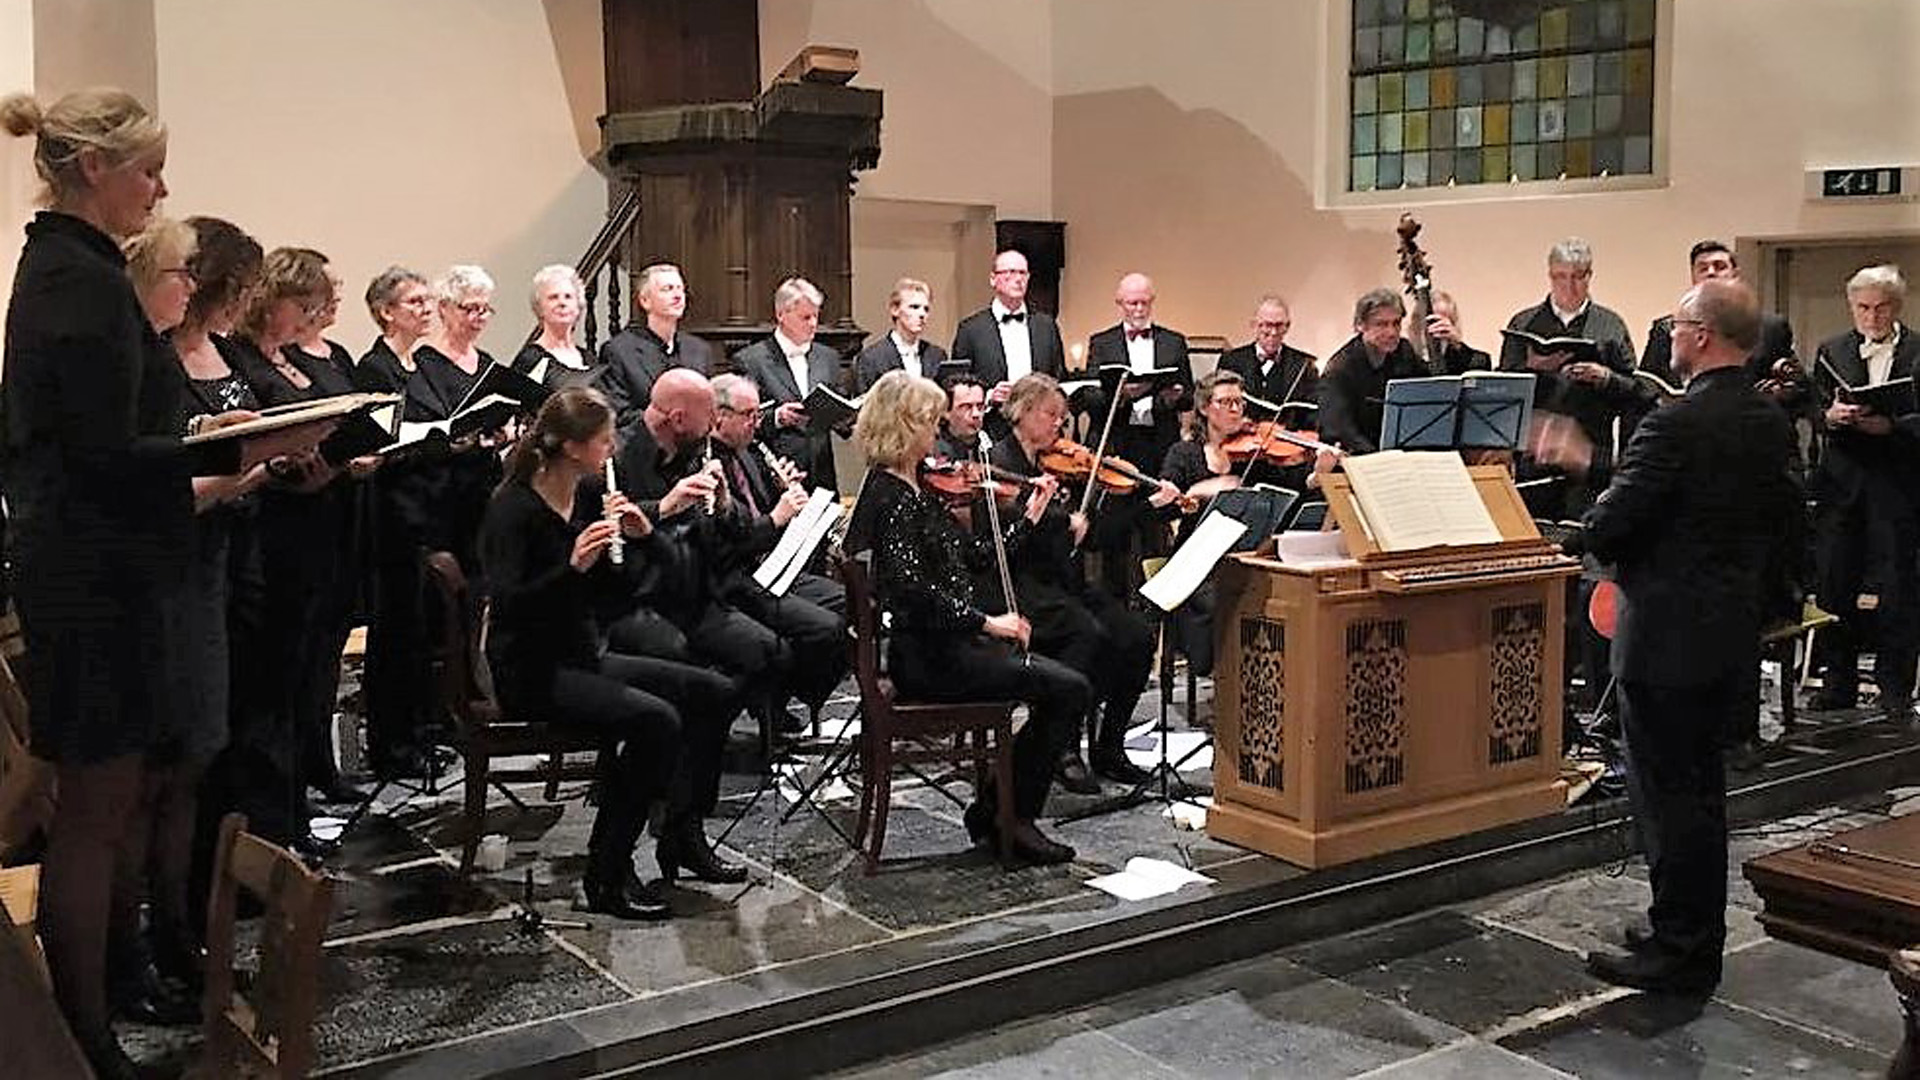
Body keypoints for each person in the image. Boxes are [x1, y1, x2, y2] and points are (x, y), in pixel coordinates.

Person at [0, 87, 300, 1079]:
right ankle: (80, 1031)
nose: (160, 188)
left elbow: (119, 435)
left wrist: (207, 441)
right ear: (94, 168)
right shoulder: (75, 280)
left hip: (106, 572)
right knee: (95, 809)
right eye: (146, 170)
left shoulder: (73, 268)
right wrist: (226, 454)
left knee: (118, 799)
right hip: (97, 582)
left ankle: (97, 1007)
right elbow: (97, 458)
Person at [1562, 280, 1798, 996]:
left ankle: (1680, 948)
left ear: (1702, 335)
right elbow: (1783, 520)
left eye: (1678, 324)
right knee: (1701, 793)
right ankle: (1689, 928)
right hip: (1727, 631)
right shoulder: (1766, 418)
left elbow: (1617, 521)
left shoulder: (1675, 422)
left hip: (1665, 635)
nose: (1668, 335)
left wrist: (1585, 497)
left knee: (1668, 796)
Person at [481, 387, 735, 919]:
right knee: (655, 722)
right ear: (572, 447)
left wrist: (640, 537)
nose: (613, 447)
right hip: (529, 667)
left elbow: (618, 590)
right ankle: (608, 872)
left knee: (712, 692)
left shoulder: (591, 491)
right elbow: (509, 605)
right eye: (603, 440)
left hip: (579, 650)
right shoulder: (513, 507)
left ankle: (682, 833)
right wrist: (570, 567)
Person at [843, 371, 1088, 864]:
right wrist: (987, 623)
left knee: (1064, 683)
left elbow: (973, 556)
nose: (938, 432)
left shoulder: (913, 487)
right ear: (906, 425)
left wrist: (1028, 518)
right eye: (931, 422)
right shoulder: (891, 498)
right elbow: (912, 594)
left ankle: (999, 809)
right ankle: (1011, 817)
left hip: (948, 645)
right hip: (931, 657)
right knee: (1069, 689)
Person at [608, 368, 782, 884]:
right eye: (707, 413)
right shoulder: (621, 457)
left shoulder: (696, 454)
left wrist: (724, 504)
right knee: (697, 685)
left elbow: (726, 535)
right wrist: (664, 507)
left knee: (765, 653)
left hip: (694, 596)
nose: (714, 424)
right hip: (638, 605)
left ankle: (686, 808)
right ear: (677, 417)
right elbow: (613, 522)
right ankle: (675, 815)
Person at [993, 375, 1167, 789]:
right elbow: (1013, 529)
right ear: (1023, 412)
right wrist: (1060, 521)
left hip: (1064, 581)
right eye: (1051, 415)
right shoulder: (1002, 462)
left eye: (1063, 417)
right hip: (1022, 586)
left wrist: (1138, 503)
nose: (1059, 426)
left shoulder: (1060, 464)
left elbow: (1096, 536)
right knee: (1085, 634)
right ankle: (1062, 745)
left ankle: (1109, 746)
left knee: (1138, 635)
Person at [1808, 265, 1920, 717]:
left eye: (1881, 307)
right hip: (1842, 484)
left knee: (1899, 589)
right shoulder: (1831, 348)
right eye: (1863, 308)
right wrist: (1829, 417)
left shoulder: (1917, 350)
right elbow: (1812, 406)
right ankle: (1838, 683)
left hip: (1898, 485)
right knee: (1836, 587)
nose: (1871, 317)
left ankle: (1895, 688)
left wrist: (1890, 425)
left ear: (1896, 307)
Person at [708, 373, 848, 731]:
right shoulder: (706, 463)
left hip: (770, 567)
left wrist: (782, 490)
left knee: (850, 602)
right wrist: (777, 516)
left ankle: (776, 694)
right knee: (824, 629)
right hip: (737, 578)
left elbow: (763, 510)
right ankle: (770, 697)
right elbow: (726, 541)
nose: (757, 423)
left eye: (759, 414)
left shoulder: (751, 453)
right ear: (719, 415)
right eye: (749, 415)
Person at [1498, 238, 1637, 519]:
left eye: (1577, 277)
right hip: (1535, 454)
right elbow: (1503, 390)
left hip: (1588, 453)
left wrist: (1606, 377)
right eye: (1560, 277)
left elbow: (1635, 391)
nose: (1569, 286)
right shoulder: (1524, 323)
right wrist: (1532, 367)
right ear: (1550, 276)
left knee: (1582, 534)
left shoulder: (1610, 325)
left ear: (1589, 276)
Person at [735, 277, 841, 492]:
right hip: (775, 474)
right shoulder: (751, 361)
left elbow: (838, 401)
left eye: (816, 317)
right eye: (806, 317)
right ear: (781, 315)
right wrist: (777, 417)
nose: (813, 324)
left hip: (822, 473)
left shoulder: (827, 357)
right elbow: (740, 422)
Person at [596, 262, 717, 426]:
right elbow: (620, 414)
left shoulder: (699, 350)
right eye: (667, 289)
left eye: (680, 289)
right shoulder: (619, 351)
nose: (678, 295)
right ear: (645, 301)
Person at [949, 249, 1068, 411]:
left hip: (1040, 421)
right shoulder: (971, 329)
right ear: (993, 279)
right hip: (992, 422)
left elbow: (1059, 375)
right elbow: (959, 384)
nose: (1018, 279)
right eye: (1011, 272)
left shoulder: (1046, 326)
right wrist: (989, 396)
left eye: (1023, 273)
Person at [1316, 287, 1430, 454]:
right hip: (1361, 459)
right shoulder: (1340, 370)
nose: (1391, 332)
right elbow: (1340, 431)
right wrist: (1379, 457)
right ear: (1361, 325)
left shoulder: (1404, 352)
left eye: (1396, 323)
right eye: (1381, 324)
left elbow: (1433, 387)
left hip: (1398, 455)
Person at [851, 277, 950, 394]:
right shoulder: (872, 358)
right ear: (895, 310)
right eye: (914, 307)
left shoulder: (937, 356)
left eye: (926, 309)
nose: (922, 314)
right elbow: (865, 405)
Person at [1215, 295, 1319, 406]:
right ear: (1254, 325)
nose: (1273, 332)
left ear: (1287, 327)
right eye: (1268, 325)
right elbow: (1220, 405)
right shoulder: (1231, 361)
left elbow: (1313, 411)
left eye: (1279, 325)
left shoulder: (1304, 365)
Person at [513, 264, 599, 390]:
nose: (562, 303)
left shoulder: (591, 360)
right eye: (553, 297)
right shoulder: (530, 360)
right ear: (540, 308)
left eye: (568, 297)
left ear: (578, 307)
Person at [353, 265, 434, 395]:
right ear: (386, 312)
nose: (428, 309)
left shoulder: (425, 363)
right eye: (415, 301)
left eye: (428, 299)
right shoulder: (374, 368)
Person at [1422, 291, 1492, 375]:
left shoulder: (1477, 359)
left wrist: (1457, 345)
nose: (1436, 327)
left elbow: (1480, 364)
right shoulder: (1409, 357)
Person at [935, 373, 989, 460]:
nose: (976, 414)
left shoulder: (991, 446)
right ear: (946, 411)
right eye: (966, 407)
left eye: (980, 407)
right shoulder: (932, 453)